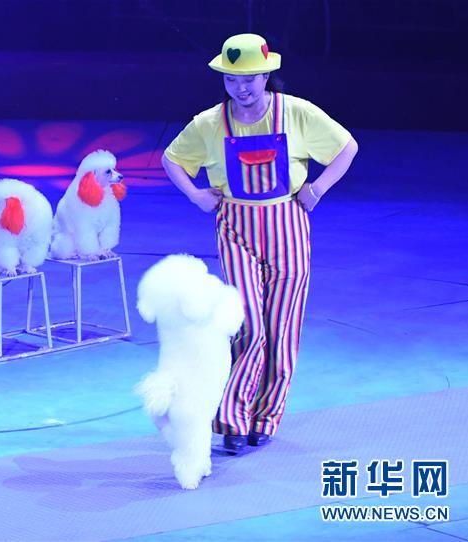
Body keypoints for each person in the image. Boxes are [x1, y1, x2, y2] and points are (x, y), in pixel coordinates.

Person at [161, 33, 358, 451]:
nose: (241, 88)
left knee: (281, 328)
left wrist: (317, 189)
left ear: (266, 75)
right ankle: (234, 418)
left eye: (249, 78)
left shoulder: (297, 113)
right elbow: (172, 159)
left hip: (288, 224)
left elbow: (346, 147)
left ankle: (266, 417)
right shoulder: (209, 123)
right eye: (232, 80)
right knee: (247, 322)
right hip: (236, 227)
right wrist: (196, 195)